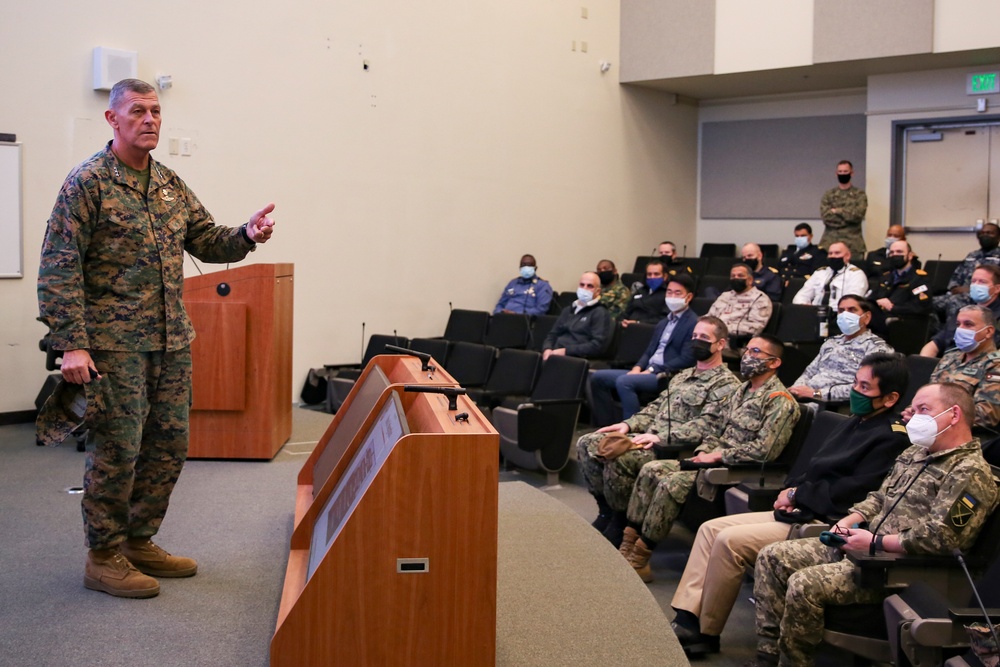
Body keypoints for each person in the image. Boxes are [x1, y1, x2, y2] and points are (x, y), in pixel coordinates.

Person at [36, 78, 276, 599]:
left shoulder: (168, 183)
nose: (150, 120)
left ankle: (139, 541)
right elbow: (59, 267)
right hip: (113, 345)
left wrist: (246, 236)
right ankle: (103, 556)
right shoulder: (88, 184)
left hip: (170, 341)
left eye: (156, 111)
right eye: (138, 111)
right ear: (113, 120)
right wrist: (71, 343)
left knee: (167, 447)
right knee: (117, 450)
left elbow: (206, 239)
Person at [670, 353, 911, 658]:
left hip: (823, 519)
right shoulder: (854, 422)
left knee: (729, 541)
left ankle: (706, 632)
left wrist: (798, 495)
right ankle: (689, 616)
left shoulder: (890, 438)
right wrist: (790, 490)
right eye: (854, 383)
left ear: (890, 398)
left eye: (865, 387)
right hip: (802, 508)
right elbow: (812, 465)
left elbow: (850, 492)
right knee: (709, 528)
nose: (855, 392)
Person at [749, 382, 998, 666]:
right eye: (913, 409)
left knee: (803, 583)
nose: (914, 417)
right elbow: (879, 498)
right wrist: (848, 522)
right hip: (864, 549)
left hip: (896, 568)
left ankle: (794, 662)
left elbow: (942, 538)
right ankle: (767, 654)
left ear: (954, 415)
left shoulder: (970, 472)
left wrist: (875, 542)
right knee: (772, 556)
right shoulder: (916, 453)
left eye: (924, 410)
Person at [619, 334, 800, 582]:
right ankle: (628, 543)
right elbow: (715, 429)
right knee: (651, 469)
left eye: (756, 352)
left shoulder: (780, 402)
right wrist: (703, 451)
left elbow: (764, 451)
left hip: (733, 468)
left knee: (672, 483)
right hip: (708, 460)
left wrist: (717, 456)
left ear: (774, 362)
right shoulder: (740, 391)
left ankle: (640, 558)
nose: (748, 356)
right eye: (747, 351)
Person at [577, 316, 740, 544]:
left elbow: (707, 426)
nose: (697, 342)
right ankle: (607, 511)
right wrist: (628, 424)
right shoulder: (683, 375)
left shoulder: (727, 384)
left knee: (620, 457)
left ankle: (622, 520)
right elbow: (655, 407)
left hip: (672, 448)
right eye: (694, 336)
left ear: (720, 344)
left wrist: (661, 436)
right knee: (587, 442)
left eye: (704, 338)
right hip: (647, 436)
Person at [589, 275, 698, 427]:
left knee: (625, 382)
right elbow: (649, 351)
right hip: (647, 371)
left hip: (666, 375)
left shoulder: (693, 323)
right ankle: (606, 426)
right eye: (669, 292)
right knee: (598, 378)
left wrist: (653, 369)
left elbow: (686, 358)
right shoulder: (663, 322)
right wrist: (637, 368)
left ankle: (632, 429)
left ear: (689, 297)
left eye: (677, 293)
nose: (672, 296)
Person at [914, 305, 1000, 436]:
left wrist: (933, 417)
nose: (960, 329)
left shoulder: (995, 364)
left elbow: (985, 415)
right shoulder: (950, 357)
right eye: (958, 324)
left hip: (967, 436)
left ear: (988, 331)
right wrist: (914, 410)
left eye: (968, 324)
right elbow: (928, 393)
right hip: (929, 426)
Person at [788, 296, 893, 403]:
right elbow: (809, 373)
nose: (845, 315)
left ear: (866, 317)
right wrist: (796, 390)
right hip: (804, 397)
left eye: (852, 310)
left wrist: (814, 393)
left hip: (828, 404)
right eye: (841, 311)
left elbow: (864, 388)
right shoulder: (831, 342)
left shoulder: (877, 348)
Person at [923, 264, 1000, 357]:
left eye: (982, 282)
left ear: (997, 288)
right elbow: (936, 344)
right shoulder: (963, 312)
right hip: (946, 364)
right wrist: (923, 363)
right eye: (974, 281)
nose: (976, 285)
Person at [541, 271, 613, 359]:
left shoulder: (600, 313)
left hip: (576, 359)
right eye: (582, 285)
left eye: (589, 286)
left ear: (597, 291)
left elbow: (597, 345)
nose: (584, 288)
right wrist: (547, 348)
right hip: (555, 354)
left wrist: (566, 351)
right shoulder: (568, 310)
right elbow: (552, 335)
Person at [707, 263, 773, 348]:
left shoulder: (760, 299)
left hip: (735, 345)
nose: (736, 278)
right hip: (712, 338)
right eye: (733, 276)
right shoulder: (725, 296)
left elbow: (754, 329)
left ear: (750, 279)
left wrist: (718, 329)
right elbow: (709, 317)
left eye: (740, 276)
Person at [791, 241, 869, 310]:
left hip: (839, 314)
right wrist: (804, 306)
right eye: (830, 253)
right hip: (815, 313)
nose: (833, 256)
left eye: (837, 253)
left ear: (847, 256)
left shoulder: (856, 274)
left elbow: (853, 302)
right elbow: (801, 295)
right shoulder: (820, 272)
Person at [869, 240, 933, 317]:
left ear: (910, 256)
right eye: (892, 252)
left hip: (902, 321)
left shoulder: (919, 278)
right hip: (879, 317)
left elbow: (921, 307)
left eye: (899, 252)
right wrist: (878, 302)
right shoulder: (886, 277)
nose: (895, 255)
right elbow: (871, 298)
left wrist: (892, 308)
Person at [819, 159, 868, 258]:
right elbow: (826, 218)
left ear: (852, 173)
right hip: (829, 244)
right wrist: (847, 217)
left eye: (845, 171)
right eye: (840, 172)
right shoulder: (829, 194)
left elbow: (857, 216)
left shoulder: (859, 194)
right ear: (836, 173)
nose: (843, 174)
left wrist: (837, 211)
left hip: (853, 245)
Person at [621, 259, 668, 326]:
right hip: (628, 327)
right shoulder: (640, 291)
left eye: (656, 274)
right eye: (649, 274)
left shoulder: (668, 294)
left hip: (648, 329)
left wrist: (638, 323)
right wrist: (621, 321)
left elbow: (664, 319)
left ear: (665, 276)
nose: (652, 277)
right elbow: (626, 312)